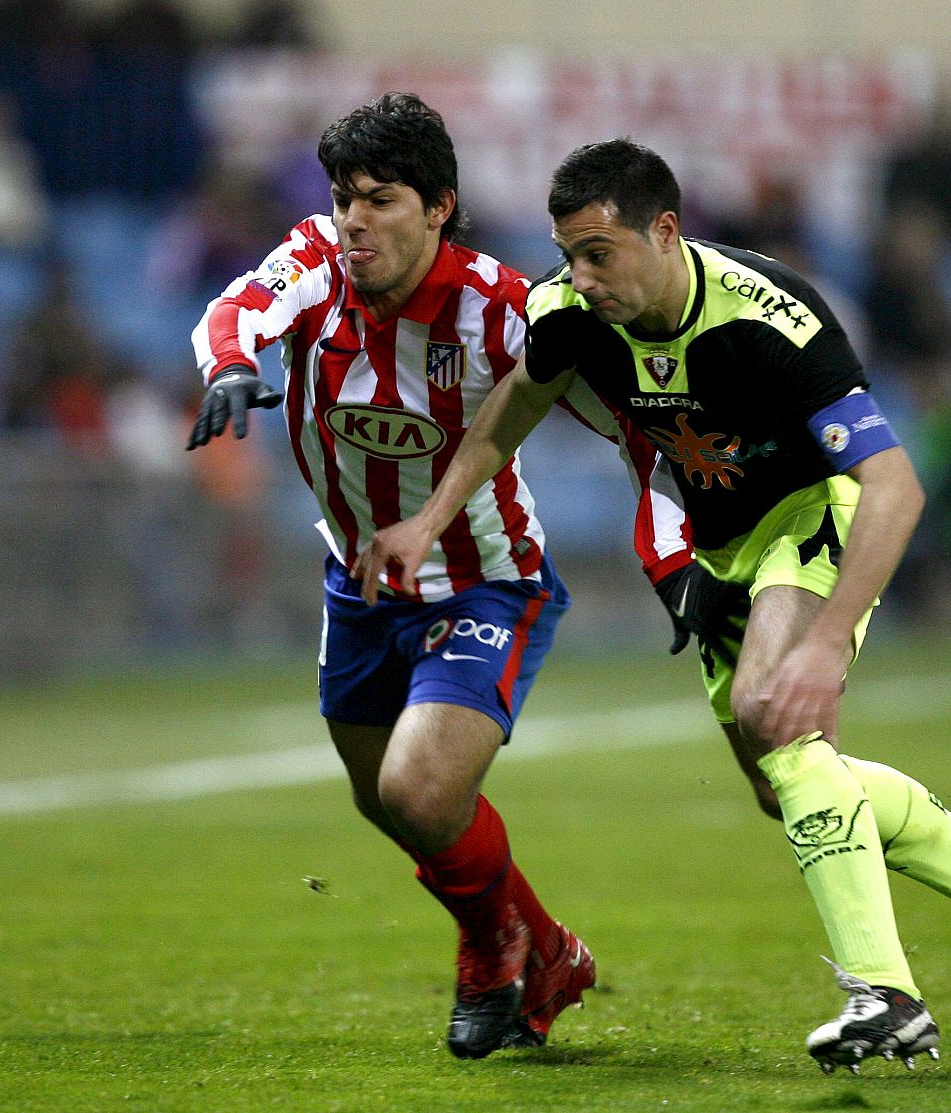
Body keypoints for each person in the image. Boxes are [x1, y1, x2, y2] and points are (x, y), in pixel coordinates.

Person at [354, 137, 951, 1073]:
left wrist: (821, 646)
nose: (580, 276)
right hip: (721, 546)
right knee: (784, 785)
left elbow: (895, 486)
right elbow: (512, 410)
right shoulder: (570, 311)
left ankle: (886, 996)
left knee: (773, 717)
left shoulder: (772, 318)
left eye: (598, 253)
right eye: (568, 253)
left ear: (665, 231)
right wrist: (429, 518)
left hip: (814, 513)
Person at [186, 95, 690, 1059]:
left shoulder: (504, 308)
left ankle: (490, 947)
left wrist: (673, 552)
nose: (356, 222)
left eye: (381, 200)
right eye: (345, 199)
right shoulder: (316, 265)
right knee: (383, 798)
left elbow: (633, 423)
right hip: (360, 584)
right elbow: (240, 308)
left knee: (421, 792)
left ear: (439, 207)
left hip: (486, 580)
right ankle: (547, 949)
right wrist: (226, 366)